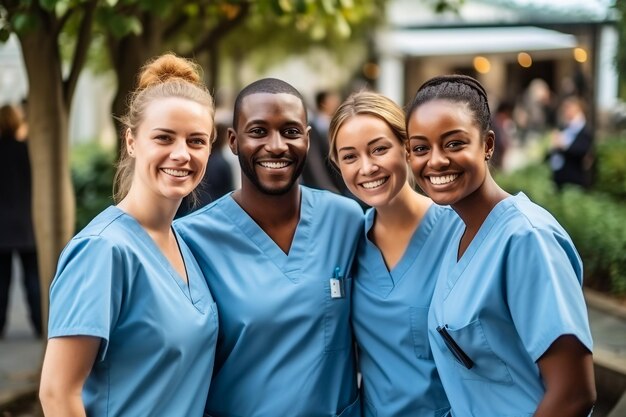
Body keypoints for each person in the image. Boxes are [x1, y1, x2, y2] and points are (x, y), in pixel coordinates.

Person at [39, 53, 219, 416]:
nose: (182, 154)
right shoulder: (102, 251)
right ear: (132, 141)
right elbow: (58, 394)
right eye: (164, 138)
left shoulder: (182, 242)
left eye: (196, 141)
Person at [406, 74, 596, 417]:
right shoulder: (459, 232)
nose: (434, 161)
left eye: (453, 143)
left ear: (488, 145)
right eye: (420, 148)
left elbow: (574, 394)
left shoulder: (527, 238)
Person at [174, 78, 363, 417]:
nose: (276, 146)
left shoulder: (345, 220)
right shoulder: (190, 239)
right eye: (258, 131)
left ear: (307, 138)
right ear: (233, 141)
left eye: (290, 132)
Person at [328, 91, 457, 416]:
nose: (367, 167)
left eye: (379, 149)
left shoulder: (456, 233)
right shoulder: (350, 241)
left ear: (407, 147)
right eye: (350, 156)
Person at [0, 103, 41, 338]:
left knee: (1, 282)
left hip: (2, 227)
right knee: (33, 279)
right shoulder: (28, 151)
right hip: (28, 223)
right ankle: (39, 324)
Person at [301, 90, 348, 194]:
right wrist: (328, 189)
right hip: (330, 187)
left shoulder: (337, 122)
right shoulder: (314, 126)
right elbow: (314, 163)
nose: (336, 101)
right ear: (323, 103)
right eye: (332, 99)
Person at [548, 96, 594, 189]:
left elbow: (581, 150)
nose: (566, 111)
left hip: (574, 177)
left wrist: (563, 145)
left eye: (568, 108)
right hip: (560, 175)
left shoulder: (584, 129)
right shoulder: (564, 127)